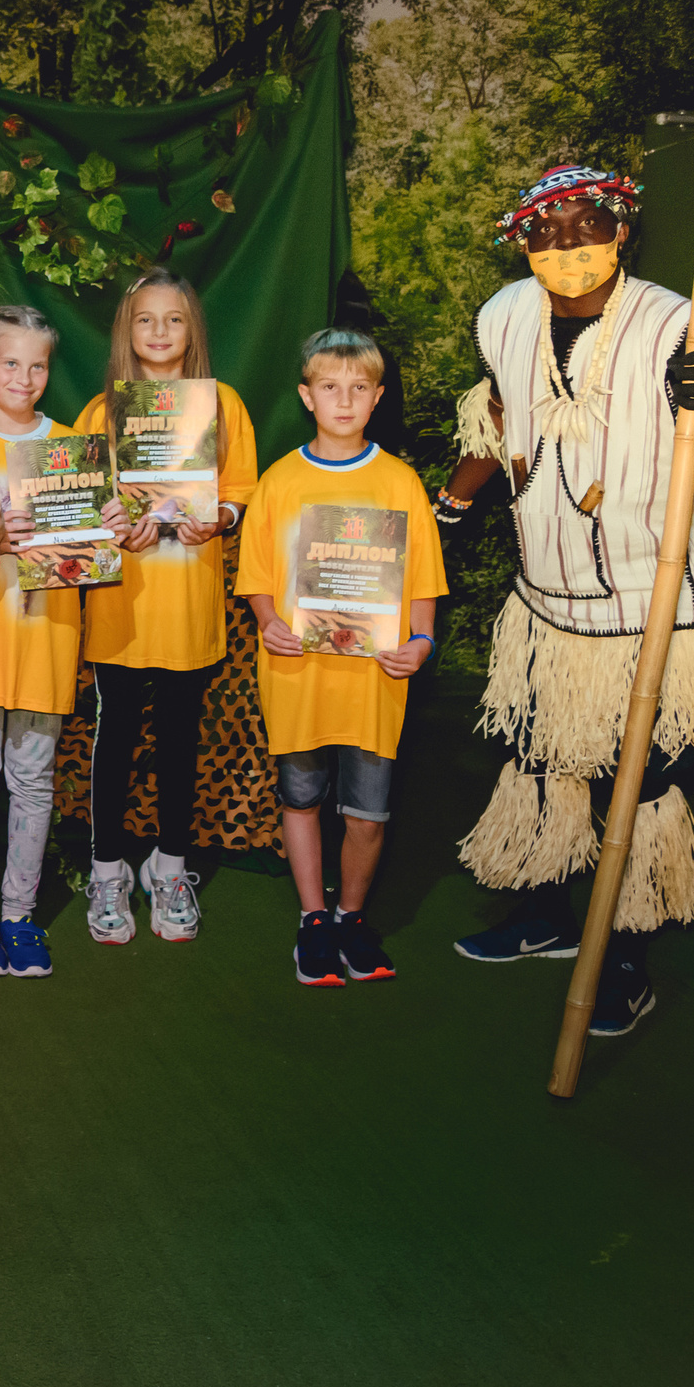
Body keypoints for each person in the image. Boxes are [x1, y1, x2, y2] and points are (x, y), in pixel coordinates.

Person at [442, 165, 694, 1034]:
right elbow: (499, 422)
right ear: (522, 243)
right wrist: (454, 500)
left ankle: (624, 955)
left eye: (587, 225)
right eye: (548, 231)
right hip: (545, 599)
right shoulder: (502, 317)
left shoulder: (678, 318)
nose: (569, 244)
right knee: (544, 762)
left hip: (654, 604)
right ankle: (543, 914)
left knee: (636, 784)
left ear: (622, 230)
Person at [235, 329, 446, 986]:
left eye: (359, 388)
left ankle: (352, 915)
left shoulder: (399, 481)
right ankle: (313, 919)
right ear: (307, 395)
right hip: (299, 673)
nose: (345, 399)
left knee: (367, 811)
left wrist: (421, 642)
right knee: (300, 797)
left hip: (374, 680)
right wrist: (269, 622)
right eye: (331, 386)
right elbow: (259, 578)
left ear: (377, 397)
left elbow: (422, 583)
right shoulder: (279, 480)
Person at [77, 269, 257, 947]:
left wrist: (224, 515)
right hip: (123, 606)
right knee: (116, 738)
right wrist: (114, 523)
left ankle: (171, 866)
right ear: (127, 330)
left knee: (182, 737)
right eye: (145, 319)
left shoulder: (224, 404)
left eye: (174, 319)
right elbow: (83, 506)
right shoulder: (101, 414)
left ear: (193, 330)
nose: (159, 332)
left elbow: (240, 486)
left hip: (189, 605)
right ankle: (107, 868)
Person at [0, 306, 86, 980]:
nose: (24, 377)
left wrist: (107, 524)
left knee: (32, 781)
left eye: (37, 364)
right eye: (9, 363)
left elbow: (90, 556)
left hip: (48, 641)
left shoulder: (73, 447)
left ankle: (19, 914)